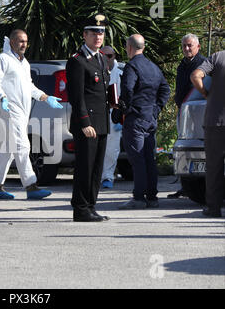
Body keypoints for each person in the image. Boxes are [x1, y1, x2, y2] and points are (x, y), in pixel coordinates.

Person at [0, 29, 63, 200]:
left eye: (26, 41)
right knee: (22, 145)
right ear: (12, 42)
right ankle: (31, 185)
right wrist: (2, 97)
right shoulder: (2, 59)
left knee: (9, 148)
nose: (24, 45)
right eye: (21, 41)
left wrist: (46, 97)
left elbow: (30, 87)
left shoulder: (24, 63)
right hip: (9, 108)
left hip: (22, 111)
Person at [66, 14, 111, 222]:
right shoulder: (77, 61)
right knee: (85, 167)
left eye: (101, 32)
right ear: (85, 35)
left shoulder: (101, 58)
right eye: (94, 32)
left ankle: (91, 205)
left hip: (102, 122)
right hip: (88, 124)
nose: (98, 36)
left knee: (96, 168)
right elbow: (77, 97)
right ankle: (81, 208)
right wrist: (84, 122)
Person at [117, 34, 170, 209]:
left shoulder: (132, 66)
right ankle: (152, 197)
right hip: (150, 118)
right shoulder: (153, 67)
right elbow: (165, 89)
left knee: (138, 159)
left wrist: (123, 110)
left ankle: (138, 197)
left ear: (129, 47)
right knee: (149, 158)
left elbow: (127, 90)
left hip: (136, 118)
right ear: (144, 47)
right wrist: (156, 109)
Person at [168, 33, 206, 199]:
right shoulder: (183, 64)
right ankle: (185, 185)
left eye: (190, 45)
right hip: (184, 109)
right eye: (184, 45)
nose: (186, 48)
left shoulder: (203, 64)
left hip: (197, 112)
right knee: (184, 151)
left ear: (198, 46)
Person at [190, 50, 225, 218]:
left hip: (215, 120)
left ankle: (213, 208)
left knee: (214, 167)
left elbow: (196, 75)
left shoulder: (218, 57)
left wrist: (206, 94)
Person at [100, 46, 123, 189]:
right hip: (98, 114)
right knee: (97, 148)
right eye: (104, 55)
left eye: (110, 56)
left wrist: (121, 118)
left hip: (114, 115)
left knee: (112, 149)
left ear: (114, 56)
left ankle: (108, 177)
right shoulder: (95, 69)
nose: (107, 58)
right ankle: (96, 176)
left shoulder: (122, 72)